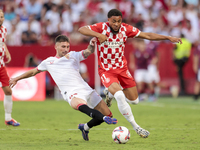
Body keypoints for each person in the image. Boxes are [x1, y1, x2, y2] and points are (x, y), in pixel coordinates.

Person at [78, 9, 182, 138]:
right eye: (114, 21)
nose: (117, 24)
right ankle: (136, 127)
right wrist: (98, 35)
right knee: (120, 96)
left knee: (135, 101)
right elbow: (81, 29)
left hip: (122, 69)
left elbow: (147, 36)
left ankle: (109, 93)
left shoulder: (126, 29)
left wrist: (168, 37)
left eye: (119, 21)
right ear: (108, 20)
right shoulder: (101, 27)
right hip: (106, 70)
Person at [9, 35, 117, 141]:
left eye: (67, 47)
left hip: (87, 90)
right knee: (83, 107)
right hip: (72, 94)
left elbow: (88, 52)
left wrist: (91, 45)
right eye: (63, 47)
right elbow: (33, 71)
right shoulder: (49, 62)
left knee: (108, 114)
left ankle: (85, 127)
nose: (66, 49)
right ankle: (102, 118)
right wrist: (16, 78)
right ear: (56, 46)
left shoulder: (73, 55)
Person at [0, 9, 20, 126]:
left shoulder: (4, 29)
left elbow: (2, 43)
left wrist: (7, 51)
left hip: (1, 66)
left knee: (8, 90)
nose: (0, 18)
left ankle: (8, 118)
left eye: (2, 16)